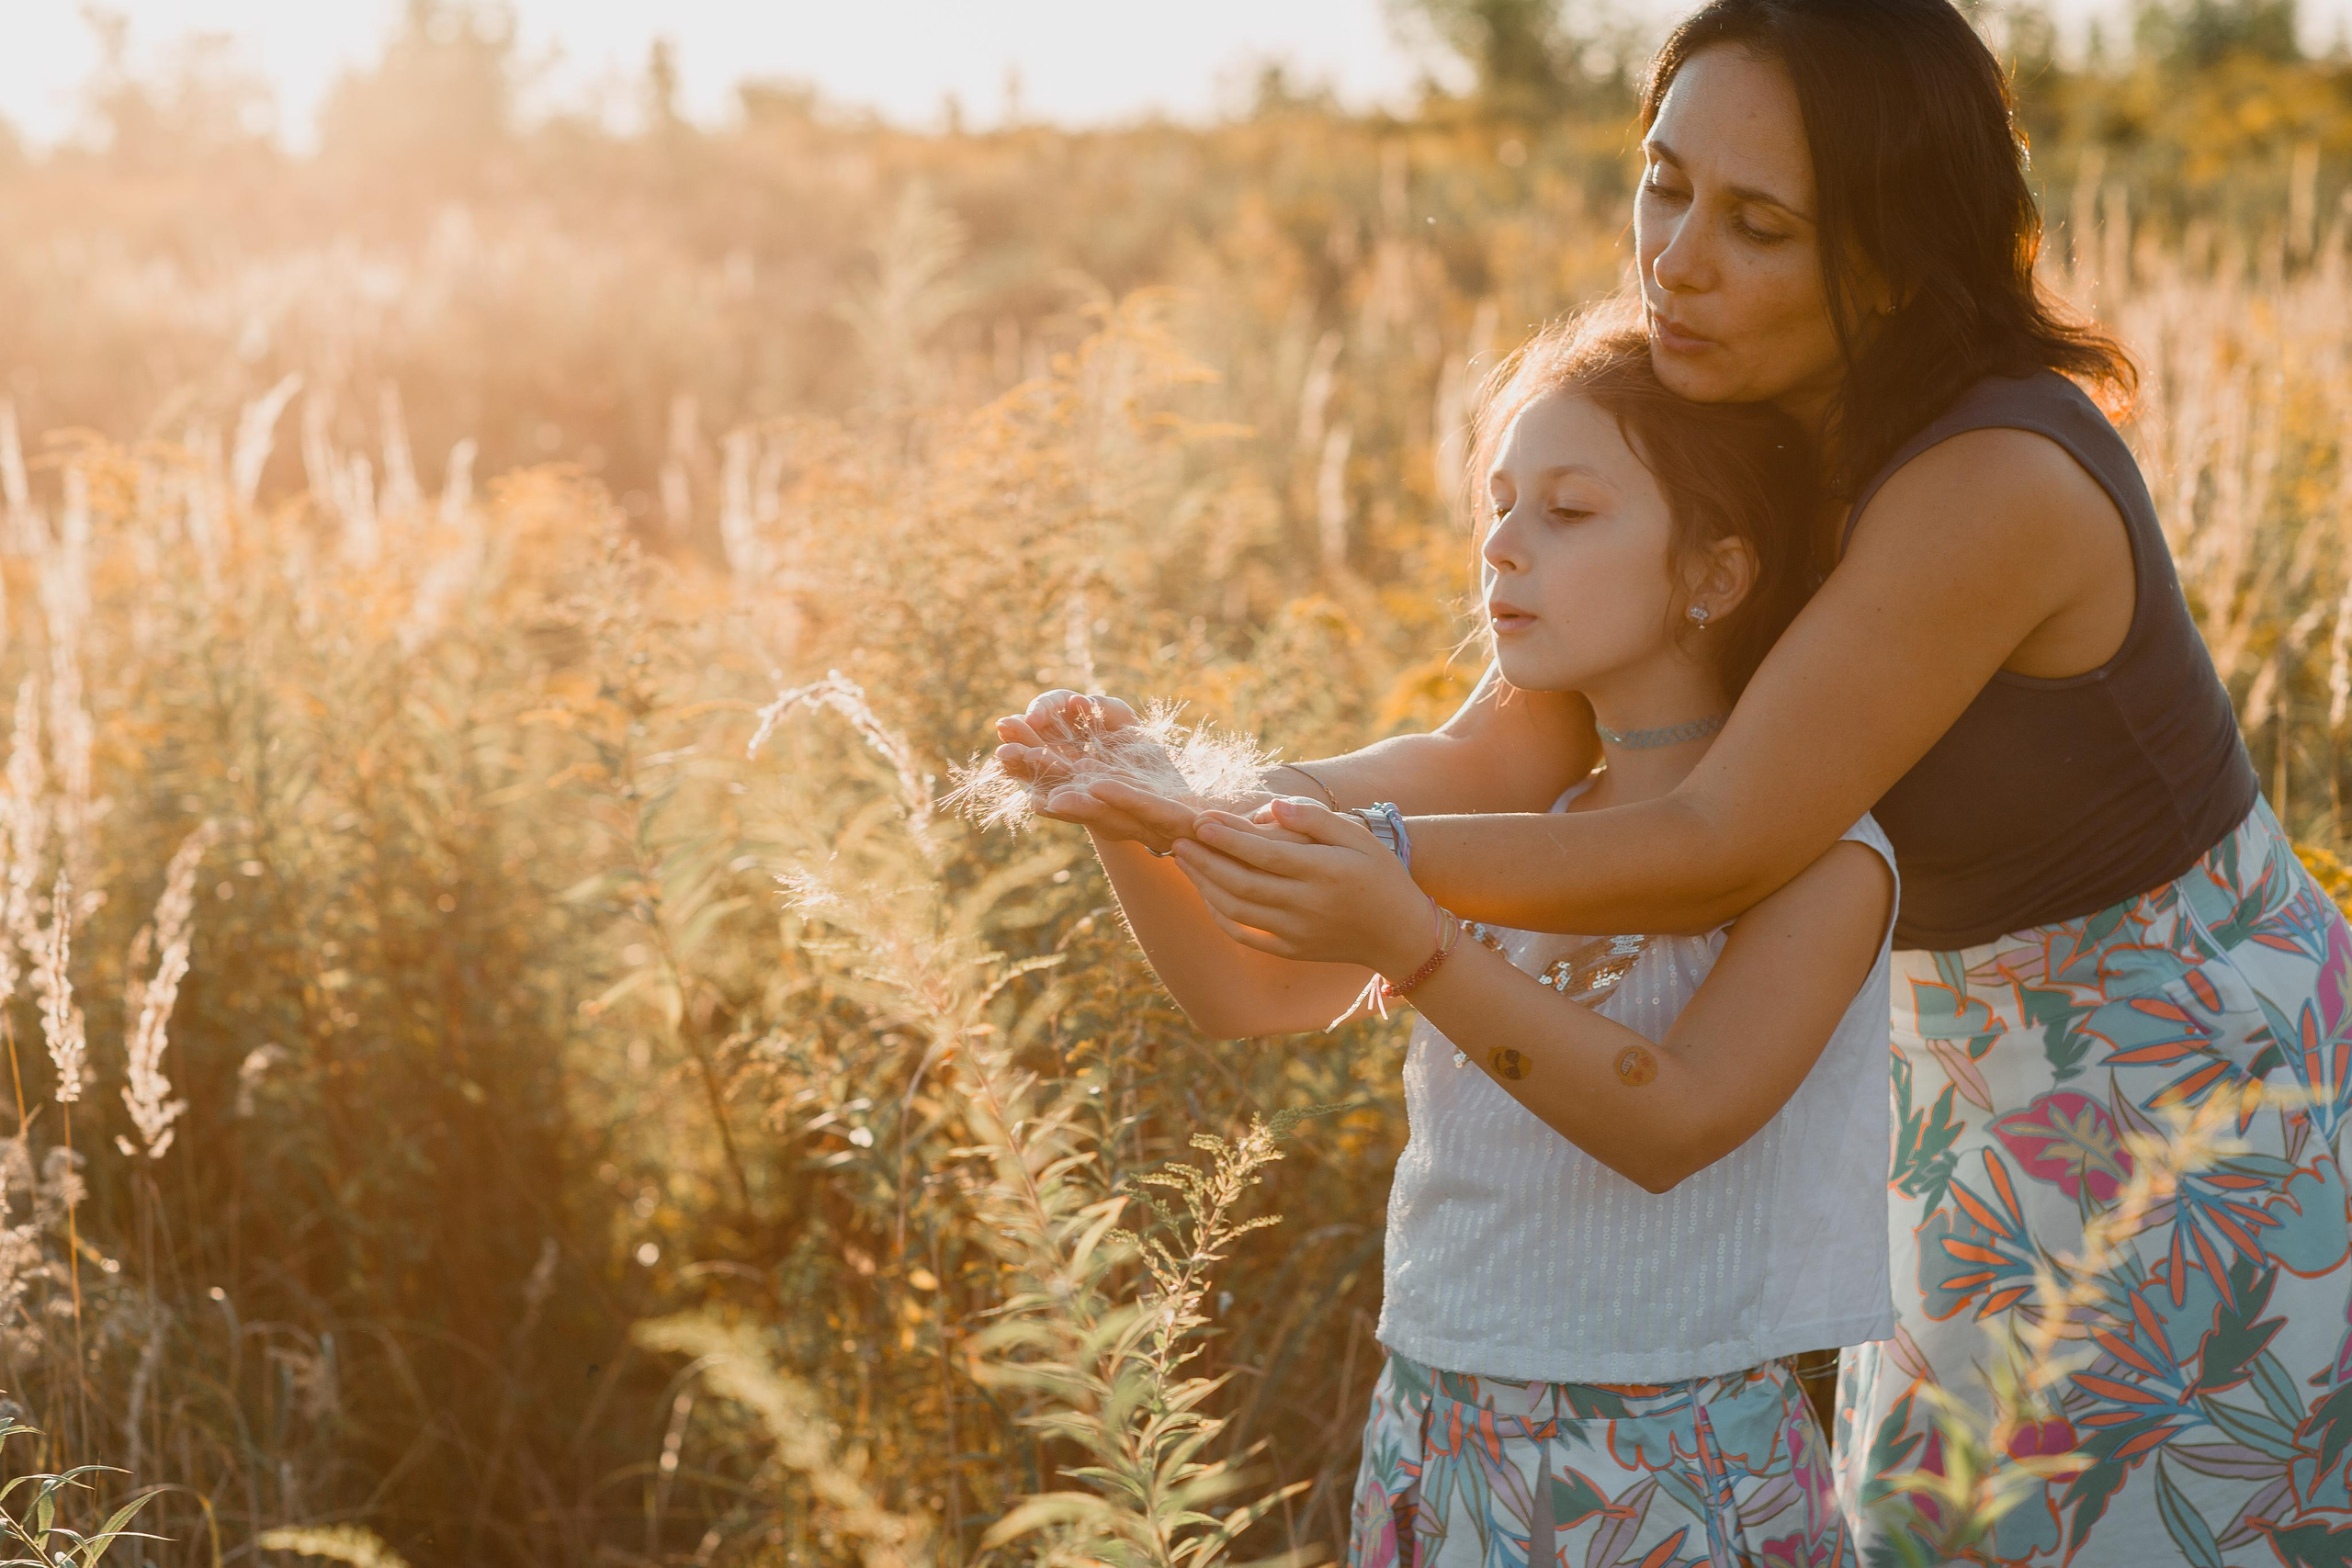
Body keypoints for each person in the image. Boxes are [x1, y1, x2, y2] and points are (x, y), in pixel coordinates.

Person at [995, 2, 2352, 1562]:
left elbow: (1714, 842)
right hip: (1938, 1098)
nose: (1677, 258)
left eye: (1758, 225)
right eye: (1664, 183)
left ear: (1900, 251)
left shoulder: (1997, 474)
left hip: (2177, 1092)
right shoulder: (1705, 414)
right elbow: (1506, 748)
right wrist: (1201, 795)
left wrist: (1373, 879)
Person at [1025, 314, 1892, 1567]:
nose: (1501, 544)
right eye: (1498, 504)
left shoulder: (1824, 860)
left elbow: (1672, 1123)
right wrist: (1136, 818)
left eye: (1569, 512)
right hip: (1436, 1436)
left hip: (1666, 1463)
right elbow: (1245, 992)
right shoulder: (1513, 832)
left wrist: (1422, 944)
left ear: (1714, 574)